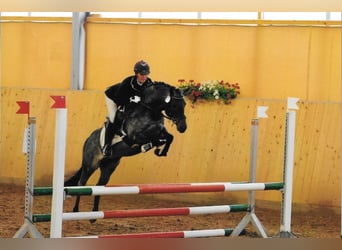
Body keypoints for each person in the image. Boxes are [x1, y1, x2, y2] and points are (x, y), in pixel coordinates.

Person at [102, 60, 153, 156]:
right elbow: (118, 99)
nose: (144, 76)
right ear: (136, 74)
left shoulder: (149, 83)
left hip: (133, 102)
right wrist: (131, 100)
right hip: (113, 98)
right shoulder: (127, 83)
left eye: (146, 74)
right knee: (114, 119)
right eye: (142, 74)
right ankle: (106, 146)